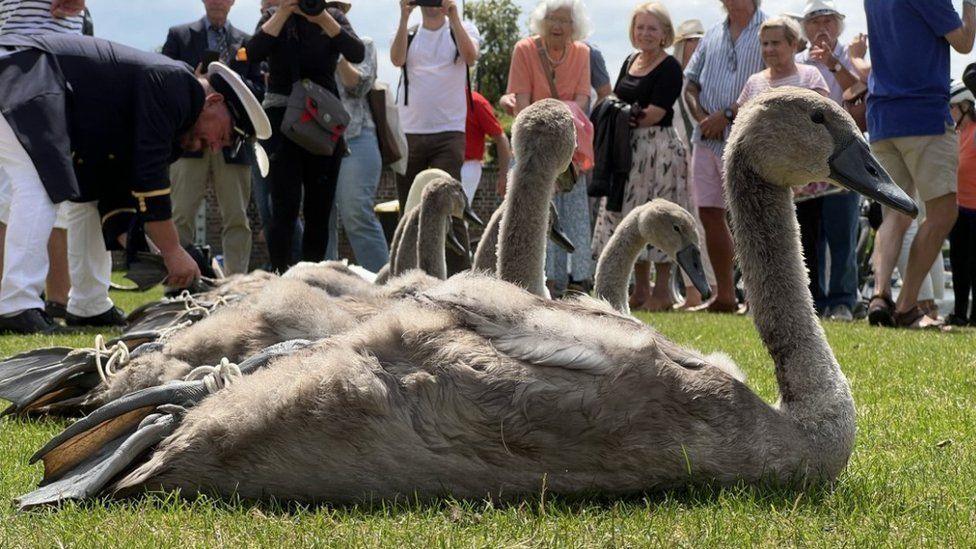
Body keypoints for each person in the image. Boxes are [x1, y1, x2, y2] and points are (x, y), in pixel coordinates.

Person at [0, 33, 267, 333]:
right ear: (214, 101)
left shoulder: (178, 120)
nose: (217, 147)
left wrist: (152, 254)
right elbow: (148, 177)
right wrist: (171, 251)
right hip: (26, 80)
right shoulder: (179, 88)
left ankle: (89, 305)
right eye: (227, 135)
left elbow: (117, 192)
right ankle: (17, 304)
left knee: (84, 204)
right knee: (39, 186)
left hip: (31, 84)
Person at [864, 0, 975, 329]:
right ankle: (908, 304)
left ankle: (880, 296)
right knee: (943, 213)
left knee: (895, 213)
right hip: (923, 115)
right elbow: (965, 42)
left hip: (882, 117)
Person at [248, 0, 364, 274]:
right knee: (283, 207)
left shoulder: (332, 16)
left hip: (322, 123)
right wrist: (285, 11)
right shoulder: (273, 16)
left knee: (319, 210)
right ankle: (280, 277)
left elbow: (356, 52)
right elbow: (252, 52)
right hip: (281, 120)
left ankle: (313, 281)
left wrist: (322, 17)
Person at [591, 3, 688, 312]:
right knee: (630, 216)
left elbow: (653, 114)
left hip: (657, 151)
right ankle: (640, 289)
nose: (645, 33)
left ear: (664, 34)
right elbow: (619, 102)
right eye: (640, 27)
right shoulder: (630, 61)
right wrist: (620, 112)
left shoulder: (670, 67)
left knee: (658, 217)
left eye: (652, 28)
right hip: (625, 150)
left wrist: (619, 112)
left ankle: (663, 291)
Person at [163, 0, 264, 275]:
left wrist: (231, 87)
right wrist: (195, 82)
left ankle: (236, 282)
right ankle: (176, 279)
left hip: (233, 142)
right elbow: (164, 77)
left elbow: (259, 89)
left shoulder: (247, 41)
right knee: (180, 213)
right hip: (190, 139)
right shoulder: (179, 35)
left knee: (236, 217)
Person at [735, 17, 829, 309]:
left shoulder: (811, 77)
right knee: (767, 244)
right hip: (767, 183)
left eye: (776, 42)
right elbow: (741, 128)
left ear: (793, 44)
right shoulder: (754, 83)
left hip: (807, 181)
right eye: (765, 43)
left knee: (808, 242)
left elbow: (824, 123)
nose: (769, 49)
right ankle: (764, 303)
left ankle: (812, 305)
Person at [683, 0, 766, 313]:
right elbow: (690, 84)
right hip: (705, 140)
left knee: (753, 217)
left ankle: (759, 298)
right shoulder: (711, 34)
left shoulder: (767, 30)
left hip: (748, 139)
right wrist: (703, 119)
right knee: (709, 213)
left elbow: (770, 83)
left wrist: (727, 115)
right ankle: (726, 295)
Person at [507, 0, 593, 297]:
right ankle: (537, 281)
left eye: (565, 21)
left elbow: (582, 100)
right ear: (542, 22)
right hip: (533, 140)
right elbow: (521, 102)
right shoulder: (524, 50)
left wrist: (559, 122)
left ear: (575, 26)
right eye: (553, 20)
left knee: (573, 213)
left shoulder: (582, 53)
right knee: (533, 212)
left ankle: (577, 282)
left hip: (568, 139)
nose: (558, 26)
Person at [391, 0, 479, 274]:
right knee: (408, 208)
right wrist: (404, 16)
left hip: (448, 133)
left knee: (451, 203)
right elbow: (396, 59)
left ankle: (460, 275)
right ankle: (405, 273)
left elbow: (471, 56)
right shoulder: (411, 32)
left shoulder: (462, 29)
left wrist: (453, 17)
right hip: (411, 132)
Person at [795, 0, 863, 321]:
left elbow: (862, 93)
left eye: (828, 20)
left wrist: (835, 65)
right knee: (808, 229)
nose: (822, 27)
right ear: (804, 29)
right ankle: (814, 300)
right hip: (806, 154)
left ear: (839, 24)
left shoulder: (853, 57)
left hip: (845, 150)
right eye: (814, 21)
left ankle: (843, 300)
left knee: (842, 227)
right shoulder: (796, 61)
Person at [324, 36, 390, 273]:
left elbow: (358, 86)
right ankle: (324, 287)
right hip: (317, 139)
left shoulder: (364, 44)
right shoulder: (303, 40)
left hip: (357, 135)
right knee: (321, 217)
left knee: (356, 214)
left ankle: (387, 287)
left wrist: (337, 49)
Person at [947, 81, 976, 326]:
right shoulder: (955, 135)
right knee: (958, 263)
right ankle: (959, 313)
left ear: (965, 105)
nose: (949, 112)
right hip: (958, 208)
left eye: (952, 107)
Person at [462, 89, 511, 202]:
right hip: (445, 164)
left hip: (467, 166)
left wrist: (503, 176)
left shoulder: (475, 101)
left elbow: (500, 138)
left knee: (456, 213)